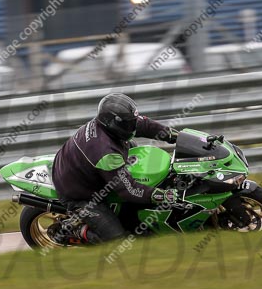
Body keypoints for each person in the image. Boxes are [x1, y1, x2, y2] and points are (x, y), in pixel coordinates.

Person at [52, 92, 180, 244]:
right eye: (129, 124)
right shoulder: (105, 153)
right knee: (117, 240)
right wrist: (164, 195)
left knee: (136, 151)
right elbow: (129, 190)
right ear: (114, 123)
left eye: (132, 121)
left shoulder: (112, 124)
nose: (133, 126)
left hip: (82, 168)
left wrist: (177, 137)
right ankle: (76, 231)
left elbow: (145, 125)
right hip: (80, 194)